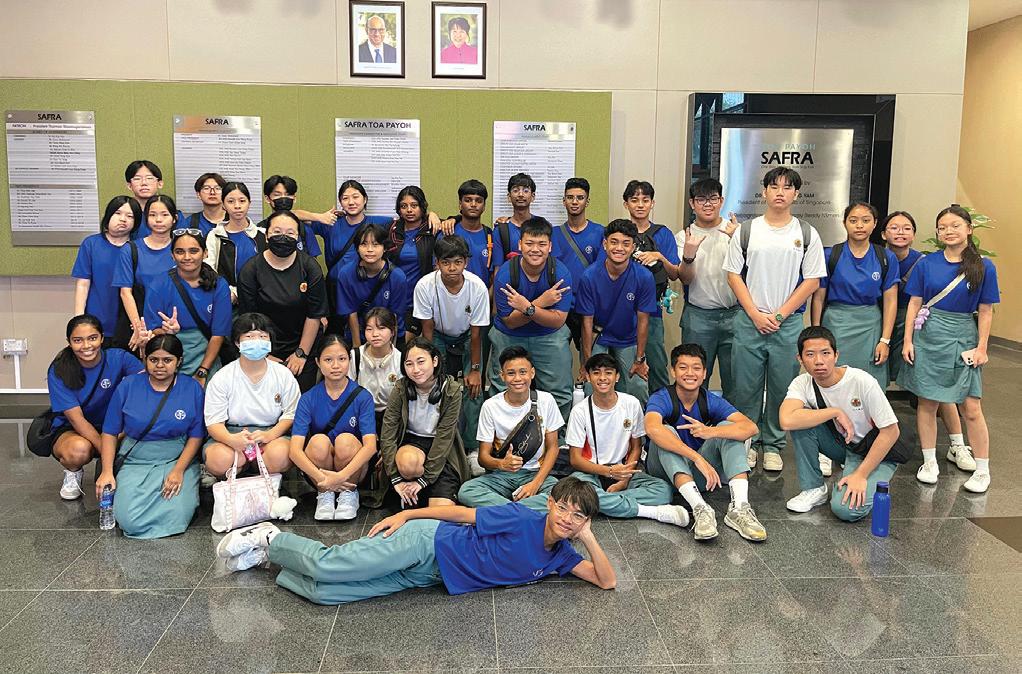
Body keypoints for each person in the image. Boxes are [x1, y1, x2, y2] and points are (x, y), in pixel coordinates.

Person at [214, 476, 616, 603]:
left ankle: (270, 561)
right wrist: (407, 514)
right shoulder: (521, 517)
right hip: (427, 542)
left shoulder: (562, 555)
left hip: (431, 576)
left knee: (325, 594)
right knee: (329, 565)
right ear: (550, 503)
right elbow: (460, 513)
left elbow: (607, 580)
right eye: (564, 509)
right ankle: (271, 537)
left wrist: (589, 538)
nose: (567, 520)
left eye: (578, 517)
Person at [723, 167, 826, 472]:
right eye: (774, 186)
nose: (780, 192)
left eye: (787, 187)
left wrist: (779, 315)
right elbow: (733, 275)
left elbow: (812, 280)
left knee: (782, 385)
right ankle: (747, 441)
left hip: (788, 323)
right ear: (764, 191)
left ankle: (773, 444)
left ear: (796, 193)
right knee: (745, 387)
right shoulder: (747, 231)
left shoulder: (806, 233)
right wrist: (756, 314)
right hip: (749, 319)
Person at [900, 205, 999, 493]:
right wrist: (907, 340)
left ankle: (982, 470)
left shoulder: (984, 266)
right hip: (928, 335)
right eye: (942, 227)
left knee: (971, 407)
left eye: (955, 225)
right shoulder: (927, 264)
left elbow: (986, 310)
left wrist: (982, 347)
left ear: (969, 229)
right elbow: (915, 303)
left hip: (963, 337)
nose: (948, 231)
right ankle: (929, 462)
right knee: (928, 402)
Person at [643, 344, 765, 542]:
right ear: (673, 371)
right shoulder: (661, 397)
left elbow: (751, 427)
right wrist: (696, 458)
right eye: (683, 367)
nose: (690, 373)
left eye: (696, 368)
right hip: (663, 474)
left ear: (704, 373)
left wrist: (711, 431)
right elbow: (652, 429)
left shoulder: (709, 400)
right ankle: (700, 508)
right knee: (665, 432)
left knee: (729, 429)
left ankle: (739, 508)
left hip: (697, 477)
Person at [781, 326, 903, 519]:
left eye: (825, 353)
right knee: (799, 421)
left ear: (836, 355)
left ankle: (871, 474)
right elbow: (786, 420)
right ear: (800, 359)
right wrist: (834, 412)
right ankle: (814, 488)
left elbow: (891, 432)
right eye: (810, 354)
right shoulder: (802, 383)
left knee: (846, 510)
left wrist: (860, 475)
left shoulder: (862, 381)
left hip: (876, 450)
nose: (819, 361)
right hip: (844, 446)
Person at [883, 211, 973, 470]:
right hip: (881, 323)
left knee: (939, 387)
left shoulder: (923, 261)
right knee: (876, 382)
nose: (900, 232)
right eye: (894, 227)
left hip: (919, 325)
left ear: (914, 233)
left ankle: (957, 445)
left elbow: (917, 301)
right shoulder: (878, 257)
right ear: (884, 233)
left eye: (906, 228)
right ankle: (872, 440)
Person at [95, 335, 204, 539]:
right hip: (137, 459)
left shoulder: (192, 388)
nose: (160, 366)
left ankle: (190, 486)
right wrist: (107, 471)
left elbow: (196, 435)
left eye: (167, 360)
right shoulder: (128, 385)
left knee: (178, 515)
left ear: (179, 361)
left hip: (176, 459)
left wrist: (179, 470)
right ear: (145, 359)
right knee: (129, 520)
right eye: (154, 360)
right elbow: (110, 431)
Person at [560, 353, 687, 526]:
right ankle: (651, 512)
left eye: (608, 373)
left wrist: (624, 479)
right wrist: (609, 472)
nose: (602, 378)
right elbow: (575, 459)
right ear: (588, 377)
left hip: (625, 470)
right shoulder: (580, 411)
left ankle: (598, 502)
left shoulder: (631, 403)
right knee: (575, 490)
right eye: (596, 373)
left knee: (664, 491)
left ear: (617, 376)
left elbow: (636, 447)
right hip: (591, 473)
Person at [45, 315, 142, 500]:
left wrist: (144, 348)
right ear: (69, 342)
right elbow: (77, 420)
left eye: (92, 338)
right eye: (78, 340)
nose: (86, 345)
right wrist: (108, 456)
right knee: (78, 450)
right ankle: (73, 472)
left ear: (102, 338)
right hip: (74, 428)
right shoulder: (59, 369)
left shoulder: (118, 358)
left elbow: (150, 382)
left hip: (114, 425)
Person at [413, 236, 489, 472]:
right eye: (446, 262)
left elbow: (476, 335)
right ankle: (439, 443)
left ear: (466, 262)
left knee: (473, 388)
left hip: (467, 336)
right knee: (437, 386)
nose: (452, 268)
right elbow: (427, 330)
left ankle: (472, 448)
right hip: (437, 335)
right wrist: (430, 367)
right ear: (437, 263)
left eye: (458, 262)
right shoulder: (425, 286)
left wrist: (475, 370)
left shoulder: (477, 287)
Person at [489, 216, 574, 424]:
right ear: (520, 245)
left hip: (548, 334)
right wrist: (541, 303)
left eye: (541, 244)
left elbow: (558, 321)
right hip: (509, 335)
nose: (535, 249)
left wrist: (527, 307)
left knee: (560, 393)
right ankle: (504, 435)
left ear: (550, 246)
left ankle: (556, 438)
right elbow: (510, 321)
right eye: (529, 243)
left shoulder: (560, 273)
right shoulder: (506, 275)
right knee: (502, 388)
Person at [371, 338, 471, 510]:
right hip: (411, 444)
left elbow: (444, 437)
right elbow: (388, 432)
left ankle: (425, 489)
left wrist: (425, 480)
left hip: (442, 450)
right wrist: (394, 476)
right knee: (408, 462)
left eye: (421, 361)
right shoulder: (401, 387)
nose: (415, 370)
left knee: (440, 513)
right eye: (409, 364)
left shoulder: (452, 390)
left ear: (435, 361)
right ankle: (412, 492)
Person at [459, 346, 564, 510]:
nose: (517, 378)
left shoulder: (546, 400)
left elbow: (553, 448)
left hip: (535, 473)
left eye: (523, 372)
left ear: (532, 373)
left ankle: (505, 511)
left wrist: (535, 484)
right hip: (501, 476)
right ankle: (519, 510)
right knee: (466, 491)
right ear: (502, 376)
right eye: (511, 373)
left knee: (560, 494)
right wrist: (502, 464)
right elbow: (483, 458)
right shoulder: (490, 406)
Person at [237, 210, 329, 391]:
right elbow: (249, 318)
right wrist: (264, 354)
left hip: (303, 345)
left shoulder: (310, 267)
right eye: (277, 232)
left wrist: (301, 353)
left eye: (290, 233)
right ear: (266, 235)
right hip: (262, 346)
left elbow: (314, 315)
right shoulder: (250, 270)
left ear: (298, 237)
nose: (283, 238)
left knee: (300, 398)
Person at [288, 334, 377, 520]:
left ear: (349, 361)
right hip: (319, 475)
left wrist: (341, 477)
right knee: (318, 441)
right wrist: (325, 481)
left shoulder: (363, 397)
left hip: (353, 473)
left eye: (342, 359)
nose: (335, 365)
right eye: (328, 360)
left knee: (345, 440)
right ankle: (325, 495)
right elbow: (294, 451)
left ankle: (348, 495)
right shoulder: (308, 398)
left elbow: (370, 446)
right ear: (318, 363)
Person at [811, 202, 899, 388]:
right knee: (834, 378)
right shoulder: (830, 255)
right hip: (836, 323)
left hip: (871, 324)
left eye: (865, 220)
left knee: (869, 383)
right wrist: (816, 334)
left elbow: (891, 301)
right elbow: (818, 297)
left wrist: (885, 340)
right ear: (844, 223)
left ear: (875, 224)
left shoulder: (885, 257)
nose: (859, 225)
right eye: (853, 220)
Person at [202, 313, 300, 479]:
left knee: (280, 455)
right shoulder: (222, 377)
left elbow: (291, 413)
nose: (257, 341)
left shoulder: (283, 374)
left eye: (263, 336)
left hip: (271, 433)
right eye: (249, 336)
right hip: (232, 433)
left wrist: (269, 435)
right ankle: (241, 467)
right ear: (237, 342)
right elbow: (213, 422)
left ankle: (257, 467)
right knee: (219, 460)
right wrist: (232, 440)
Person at [576, 219, 656, 405]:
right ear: (605, 244)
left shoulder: (644, 277)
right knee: (592, 384)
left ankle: (638, 424)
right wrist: (587, 362)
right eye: (614, 242)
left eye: (626, 243)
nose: (619, 248)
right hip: (598, 336)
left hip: (627, 337)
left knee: (637, 386)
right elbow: (586, 322)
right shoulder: (589, 276)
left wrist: (640, 359)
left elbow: (643, 321)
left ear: (633, 247)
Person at [676, 178, 740, 400]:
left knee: (735, 379)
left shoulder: (735, 231)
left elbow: (751, 274)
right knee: (693, 379)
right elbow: (685, 279)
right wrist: (688, 255)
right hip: (698, 317)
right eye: (701, 199)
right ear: (692, 203)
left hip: (734, 315)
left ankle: (733, 421)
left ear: (721, 200)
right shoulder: (684, 236)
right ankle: (695, 420)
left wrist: (739, 243)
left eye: (713, 198)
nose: (708, 204)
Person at [141, 229, 231, 382]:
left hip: (208, 357)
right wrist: (166, 332)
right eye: (180, 252)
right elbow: (153, 328)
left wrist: (203, 371)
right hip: (169, 357)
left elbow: (219, 334)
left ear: (205, 253)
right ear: (172, 255)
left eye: (194, 251)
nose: (187, 257)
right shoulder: (159, 284)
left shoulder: (219, 285)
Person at [622, 180, 681, 396]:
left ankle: (661, 410)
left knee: (656, 364)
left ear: (652, 203)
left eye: (645, 200)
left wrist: (659, 257)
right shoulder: (619, 233)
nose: (640, 205)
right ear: (626, 204)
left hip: (652, 310)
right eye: (634, 200)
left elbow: (675, 273)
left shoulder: (662, 234)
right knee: (624, 366)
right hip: (622, 311)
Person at [72, 196, 142, 343]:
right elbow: (83, 284)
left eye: (130, 216)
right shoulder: (91, 244)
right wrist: (79, 320)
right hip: (96, 320)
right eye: (118, 213)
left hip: (129, 324)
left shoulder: (139, 247)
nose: (123, 219)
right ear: (108, 215)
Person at [113, 195, 178, 350]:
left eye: (164, 215)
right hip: (139, 323)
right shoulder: (130, 249)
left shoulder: (181, 249)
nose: (158, 220)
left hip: (174, 324)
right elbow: (125, 293)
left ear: (174, 218)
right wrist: (139, 328)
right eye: (153, 215)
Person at [552, 177, 604, 350]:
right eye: (570, 197)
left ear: (587, 201)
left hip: (590, 305)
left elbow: (602, 272)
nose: (574, 202)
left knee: (590, 357)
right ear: (564, 201)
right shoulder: (553, 233)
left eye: (580, 198)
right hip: (561, 305)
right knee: (558, 356)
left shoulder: (600, 233)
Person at [336, 224, 408, 346]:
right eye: (364, 244)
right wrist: (357, 348)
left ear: (384, 248)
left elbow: (395, 316)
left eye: (375, 244)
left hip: (389, 335)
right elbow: (351, 313)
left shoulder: (397, 277)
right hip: (359, 333)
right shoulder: (346, 274)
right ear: (357, 248)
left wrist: (390, 350)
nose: (369, 249)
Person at [385, 186, 437, 334]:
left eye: (414, 205)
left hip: (420, 300)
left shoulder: (432, 228)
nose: (409, 210)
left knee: (409, 341)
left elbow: (459, 221)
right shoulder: (391, 229)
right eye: (404, 206)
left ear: (422, 207)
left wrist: (433, 214)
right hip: (394, 297)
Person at [205, 181, 266, 305]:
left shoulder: (263, 234)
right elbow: (209, 269)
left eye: (242, 201)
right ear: (223, 205)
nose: (237, 206)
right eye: (231, 201)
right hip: (228, 299)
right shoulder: (215, 235)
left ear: (249, 203)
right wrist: (230, 292)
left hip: (261, 299)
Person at [347, 307, 403, 431]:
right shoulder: (355, 356)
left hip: (390, 417)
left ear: (392, 331)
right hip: (360, 414)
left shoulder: (401, 359)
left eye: (381, 328)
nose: (375, 334)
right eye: (369, 329)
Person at [440, 179, 495, 287]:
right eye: (468, 200)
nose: (473, 204)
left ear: (484, 206)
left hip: (482, 294)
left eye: (478, 201)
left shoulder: (490, 235)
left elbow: (493, 275)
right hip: (451, 294)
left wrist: (486, 296)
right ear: (460, 204)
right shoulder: (448, 231)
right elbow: (438, 269)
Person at [258, 175, 328, 258]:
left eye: (288, 195)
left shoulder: (304, 229)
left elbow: (312, 260)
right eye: (277, 195)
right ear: (267, 199)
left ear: (294, 198)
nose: (283, 198)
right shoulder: (260, 229)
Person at [490, 173, 537, 265]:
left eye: (526, 191)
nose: (520, 194)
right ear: (509, 197)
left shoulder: (541, 225)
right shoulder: (501, 230)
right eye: (515, 190)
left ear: (533, 196)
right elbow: (498, 268)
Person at [124, 160, 177, 239]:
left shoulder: (172, 213)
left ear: (160, 184)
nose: (144, 183)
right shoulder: (123, 214)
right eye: (137, 179)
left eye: (149, 178)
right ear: (129, 185)